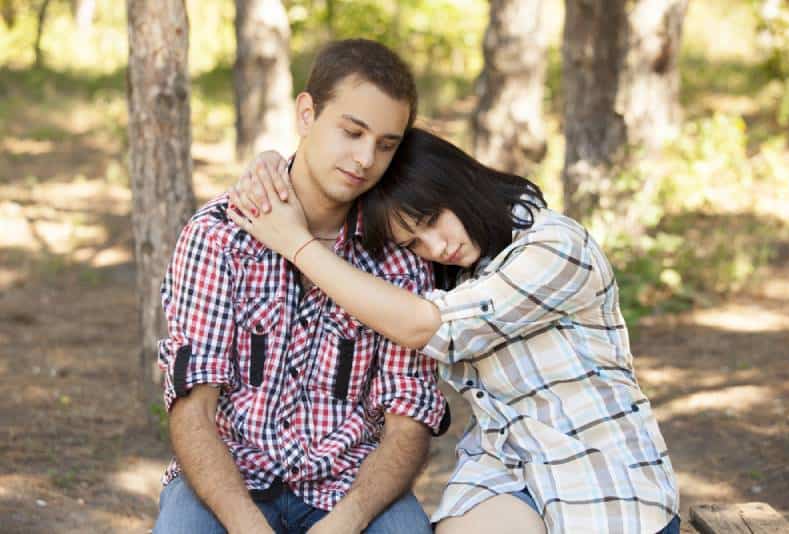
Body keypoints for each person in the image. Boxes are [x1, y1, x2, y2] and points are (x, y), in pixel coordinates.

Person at [227, 128, 681, 534]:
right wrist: (275, 167)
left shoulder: (557, 247)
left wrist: (295, 244)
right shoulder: (457, 269)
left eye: (431, 222)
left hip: (598, 469)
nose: (437, 248)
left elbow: (429, 327)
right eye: (414, 244)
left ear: (456, 183)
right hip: (509, 467)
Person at [153, 40, 449, 534]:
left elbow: (407, 420)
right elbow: (192, 409)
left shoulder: (399, 257)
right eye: (352, 131)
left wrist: (348, 520)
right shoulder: (220, 236)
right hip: (232, 480)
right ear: (307, 113)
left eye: (385, 144)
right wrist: (247, 526)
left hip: (351, 486)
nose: (364, 159)